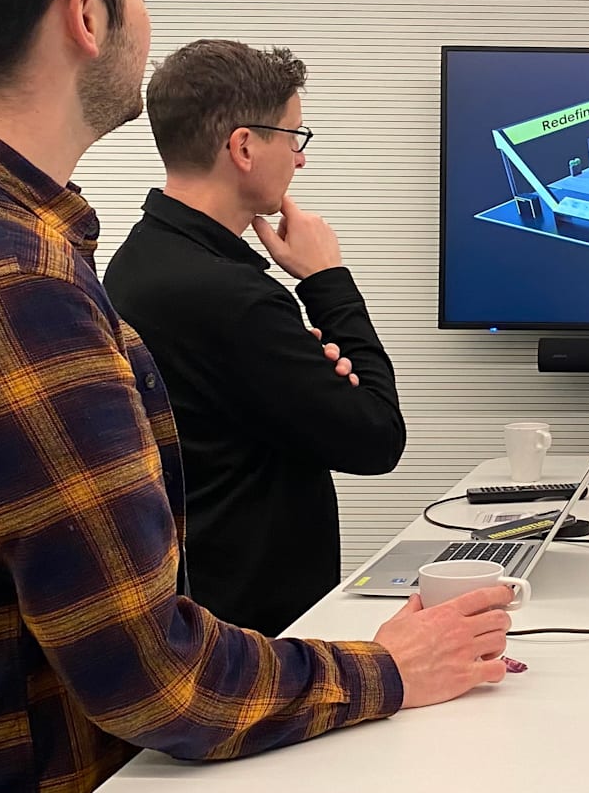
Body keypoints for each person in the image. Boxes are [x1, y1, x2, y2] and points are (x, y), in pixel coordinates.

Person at [0, 0, 511, 793]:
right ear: (87, 16)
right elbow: (156, 678)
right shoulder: (11, 280)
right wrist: (390, 668)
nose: (148, 26)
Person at [103, 40, 408, 636]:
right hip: (253, 637)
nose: (300, 159)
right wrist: (328, 281)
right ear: (243, 147)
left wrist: (301, 367)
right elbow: (376, 437)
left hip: (201, 607)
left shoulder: (140, 260)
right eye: (294, 137)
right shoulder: (230, 296)